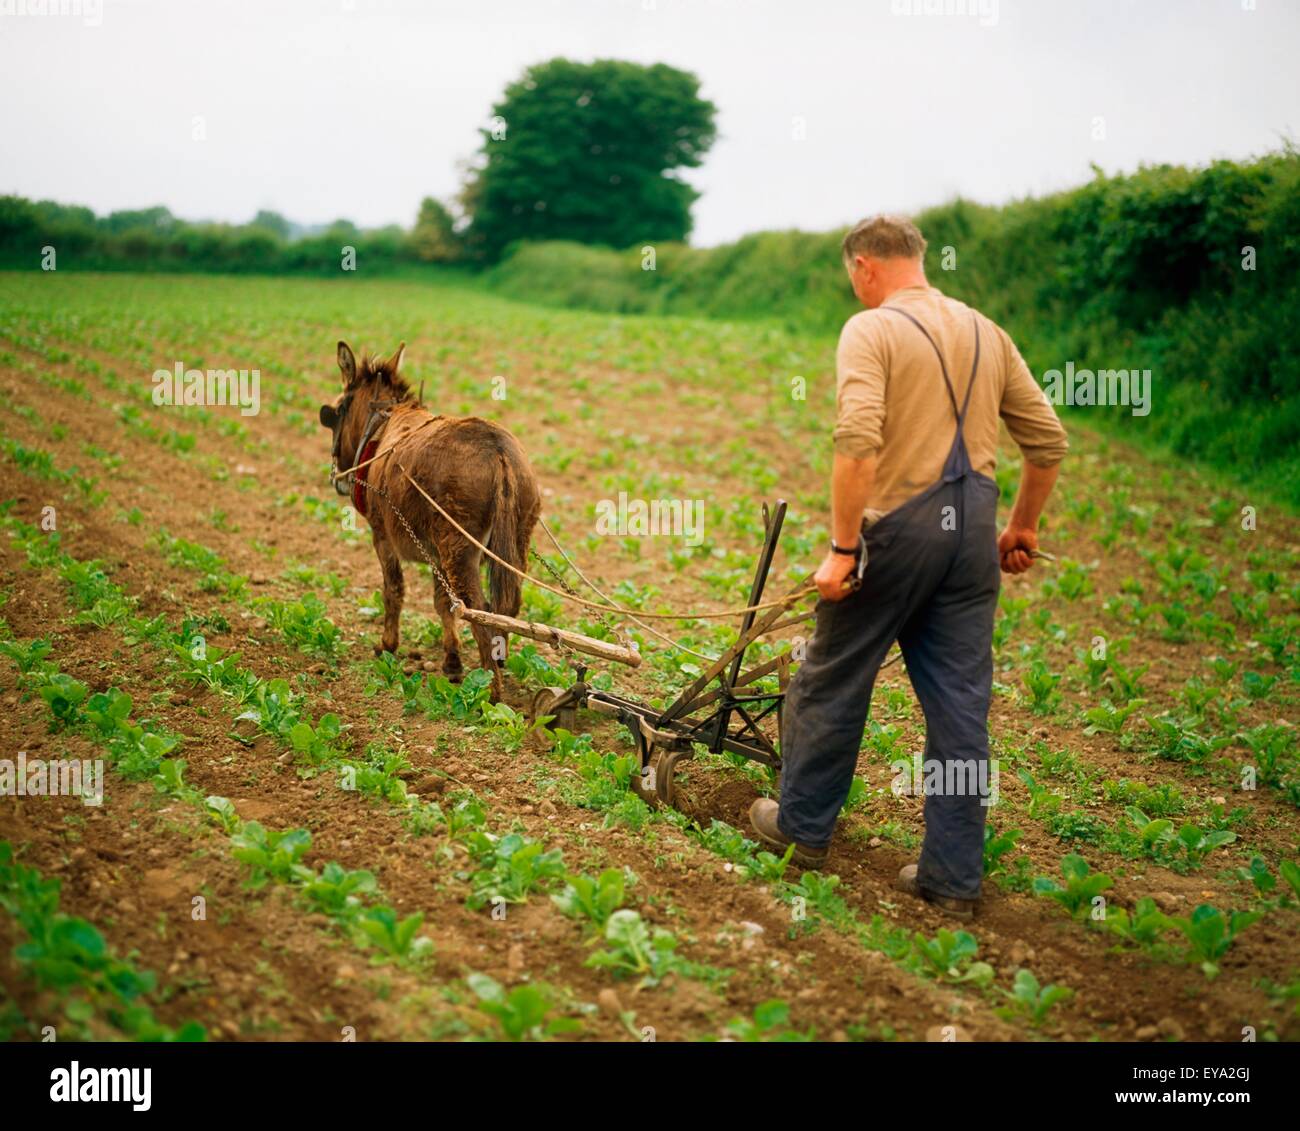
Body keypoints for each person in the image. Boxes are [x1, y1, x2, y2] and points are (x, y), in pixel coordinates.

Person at [749, 214, 1069, 919]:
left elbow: (858, 438)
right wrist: (1021, 526)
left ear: (863, 266)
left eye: (852, 275)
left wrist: (840, 548)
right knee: (960, 707)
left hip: (899, 532)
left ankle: (800, 831)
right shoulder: (987, 331)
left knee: (830, 677)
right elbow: (1047, 440)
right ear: (917, 259)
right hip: (971, 537)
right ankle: (952, 877)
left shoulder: (872, 330)